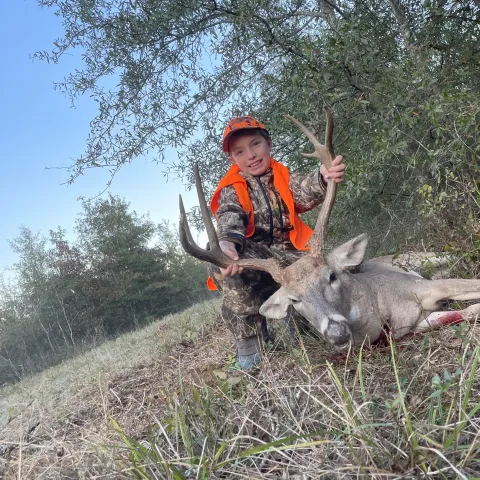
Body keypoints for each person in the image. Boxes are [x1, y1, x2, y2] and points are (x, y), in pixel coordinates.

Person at [207, 116, 345, 370]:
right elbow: (229, 216)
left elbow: (304, 190)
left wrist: (324, 177)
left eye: (256, 144)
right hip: (259, 267)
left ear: (268, 144)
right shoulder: (232, 189)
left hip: (292, 261)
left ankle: (306, 318)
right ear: (233, 159)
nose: (251, 155)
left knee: (331, 273)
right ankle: (251, 343)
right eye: (240, 151)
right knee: (220, 256)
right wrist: (227, 243)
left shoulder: (283, 177)